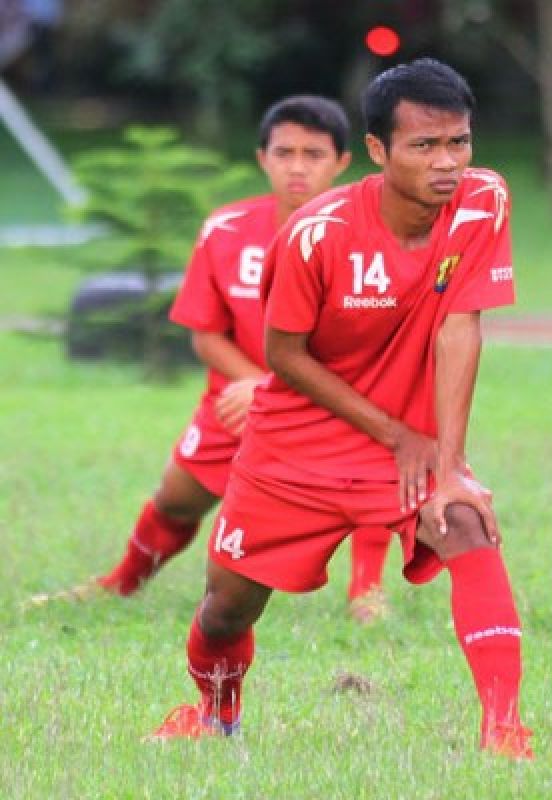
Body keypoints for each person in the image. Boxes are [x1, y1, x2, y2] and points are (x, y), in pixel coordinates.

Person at [147, 58, 532, 759]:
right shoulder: (316, 234)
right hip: (294, 444)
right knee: (228, 605)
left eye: (459, 142)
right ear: (379, 152)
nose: (447, 163)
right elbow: (286, 356)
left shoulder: (485, 201)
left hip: (405, 447)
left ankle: (504, 732)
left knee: (468, 525)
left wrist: (446, 464)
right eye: (425, 146)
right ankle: (213, 710)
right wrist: (397, 433)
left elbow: (460, 325)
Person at [28, 96, 397, 623]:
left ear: (341, 163)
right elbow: (206, 336)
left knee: (365, 481)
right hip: (237, 402)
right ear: (261, 158)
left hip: (335, 401)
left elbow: (374, 348)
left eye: (313, 154)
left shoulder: (370, 236)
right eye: (284, 151)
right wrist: (262, 389)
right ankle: (119, 583)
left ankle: (367, 592)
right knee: (176, 497)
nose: (297, 166)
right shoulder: (226, 229)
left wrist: (280, 393)